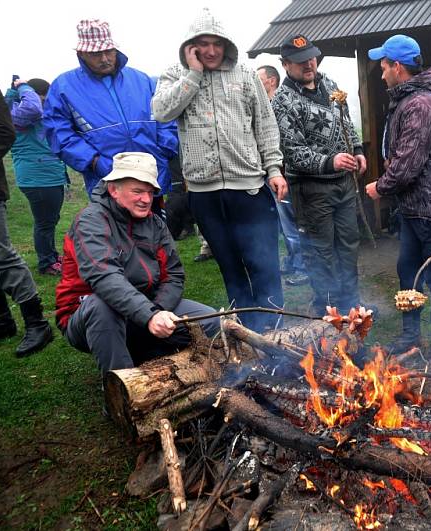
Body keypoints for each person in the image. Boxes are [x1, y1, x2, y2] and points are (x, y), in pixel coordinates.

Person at [152, 8, 287, 333]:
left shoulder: (244, 74)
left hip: (250, 189)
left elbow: (265, 125)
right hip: (204, 194)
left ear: (226, 44)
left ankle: (279, 331)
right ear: (191, 46)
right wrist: (193, 75)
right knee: (230, 268)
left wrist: (274, 168)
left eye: (217, 43)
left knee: (264, 266)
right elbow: (160, 112)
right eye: (203, 44)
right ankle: (251, 335)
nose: (211, 50)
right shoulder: (174, 74)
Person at [56, 152, 219, 376]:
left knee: (212, 322)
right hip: (88, 315)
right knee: (101, 307)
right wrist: (149, 316)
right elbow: (104, 277)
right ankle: (124, 396)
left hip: (147, 305)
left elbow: (173, 275)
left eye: (150, 192)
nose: (145, 199)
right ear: (114, 190)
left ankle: (158, 358)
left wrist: (158, 312)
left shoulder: (154, 224)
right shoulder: (91, 221)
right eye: (137, 191)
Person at [364, 35, 431, 360]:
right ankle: (410, 336)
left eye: (384, 66)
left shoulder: (421, 104)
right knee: (408, 272)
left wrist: (380, 187)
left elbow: (407, 164)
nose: (381, 73)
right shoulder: (407, 99)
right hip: (412, 209)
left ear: (398, 67)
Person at [271, 34, 368, 315]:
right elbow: (292, 151)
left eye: (311, 57)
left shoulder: (330, 84)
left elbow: (346, 122)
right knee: (321, 253)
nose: (309, 64)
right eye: (301, 61)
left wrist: (358, 149)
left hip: (344, 185)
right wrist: (331, 161)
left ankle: (351, 304)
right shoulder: (283, 100)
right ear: (286, 64)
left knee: (349, 245)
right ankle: (329, 307)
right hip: (312, 190)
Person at [43, 19, 178, 200]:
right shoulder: (64, 87)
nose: (105, 58)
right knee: (111, 228)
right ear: (82, 53)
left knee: (155, 227)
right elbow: (59, 132)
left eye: (109, 51)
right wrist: (94, 162)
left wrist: (164, 148)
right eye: (96, 53)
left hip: (152, 177)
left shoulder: (142, 80)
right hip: (106, 180)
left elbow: (166, 116)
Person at [0, 81, 54, 357]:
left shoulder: (17, 108)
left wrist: (24, 88)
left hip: (39, 175)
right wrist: (24, 88)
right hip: (37, 176)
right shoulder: (17, 104)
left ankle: (36, 322)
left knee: (1, 254)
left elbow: (4, 130)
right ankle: (2, 320)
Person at [4, 78, 68, 275]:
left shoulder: (22, 111)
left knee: (50, 220)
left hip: (47, 175)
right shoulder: (16, 112)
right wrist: (24, 86)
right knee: (44, 222)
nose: (45, 102)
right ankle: (46, 263)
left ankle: (51, 255)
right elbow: (33, 109)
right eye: (44, 98)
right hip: (37, 177)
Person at [257, 64, 308, 287]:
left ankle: (303, 267)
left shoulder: (279, 105)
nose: (254, 82)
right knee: (282, 224)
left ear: (271, 81)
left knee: (292, 224)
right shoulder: (265, 105)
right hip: (274, 175)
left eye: (258, 78)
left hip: (286, 175)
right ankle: (292, 260)